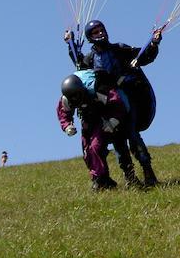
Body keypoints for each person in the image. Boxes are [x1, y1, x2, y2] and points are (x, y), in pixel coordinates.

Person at [63, 20, 164, 187]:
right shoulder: (90, 59)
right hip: (107, 103)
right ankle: (130, 177)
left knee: (132, 134)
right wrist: (70, 43)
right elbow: (79, 67)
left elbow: (144, 56)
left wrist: (154, 42)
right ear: (90, 37)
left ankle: (148, 172)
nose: (100, 33)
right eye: (95, 32)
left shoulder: (119, 50)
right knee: (118, 140)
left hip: (127, 100)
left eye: (101, 30)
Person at [56, 71, 130, 190]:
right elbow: (63, 113)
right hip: (87, 119)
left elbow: (117, 103)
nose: (75, 99)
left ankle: (100, 180)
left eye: (77, 95)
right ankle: (102, 179)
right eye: (72, 98)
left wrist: (113, 121)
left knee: (96, 147)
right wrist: (67, 126)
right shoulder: (67, 98)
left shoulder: (97, 89)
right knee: (87, 151)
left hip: (103, 117)